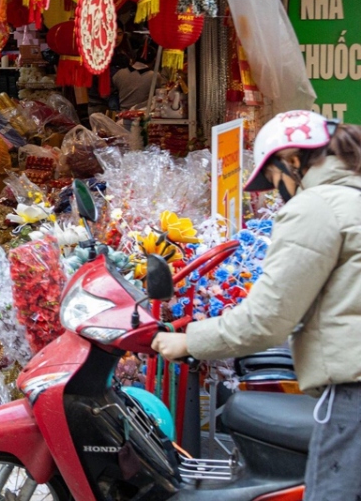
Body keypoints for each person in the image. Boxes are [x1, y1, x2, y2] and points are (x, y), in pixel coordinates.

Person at [153, 111, 361, 501]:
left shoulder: (317, 206)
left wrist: (187, 341)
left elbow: (268, 320)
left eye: (275, 179)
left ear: (294, 161)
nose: (278, 191)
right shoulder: (352, 197)